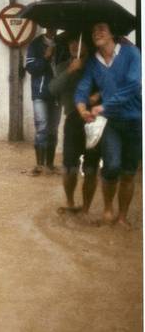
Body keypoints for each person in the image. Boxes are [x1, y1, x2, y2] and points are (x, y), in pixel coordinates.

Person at [74, 22, 141, 228]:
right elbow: (83, 86)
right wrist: (82, 107)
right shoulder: (93, 62)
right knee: (111, 166)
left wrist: (103, 106)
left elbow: (133, 84)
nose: (97, 33)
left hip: (136, 120)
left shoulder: (132, 53)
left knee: (129, 172)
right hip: (111, 122)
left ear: (113, 32)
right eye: (93, 31)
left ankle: (122, 216)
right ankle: (108, 209)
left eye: (102, 29)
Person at [48, 32, 100, 218]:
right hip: (72, 119)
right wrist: (71, 70)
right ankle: (70, 201)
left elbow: (107, 87)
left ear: (86, 45)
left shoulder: (96, 65)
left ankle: (86, 208)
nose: (73, 45)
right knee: (69, 167)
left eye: (77, 42)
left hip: (93, 120)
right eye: (71, 41)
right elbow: (53, 88)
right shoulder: (63, 66)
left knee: (91, 168)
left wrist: (97, 97)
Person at [25, 28, 61, 175]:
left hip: (57, 93)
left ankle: (50, 165)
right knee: (42, 127)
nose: (53, 28)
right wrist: (46, 57)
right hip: (40, 93)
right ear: (46, 26)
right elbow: (31, 68)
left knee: (53, 129)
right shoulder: (35, 44)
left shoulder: (62, 43)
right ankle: (39, 165)